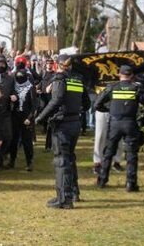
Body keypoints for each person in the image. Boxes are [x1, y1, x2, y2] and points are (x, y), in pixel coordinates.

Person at [35, 54, 90, 209]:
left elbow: (56, 100)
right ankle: (73, 193)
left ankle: (63, 199)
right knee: (70, 158)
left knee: (61, 161)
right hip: (75, 123)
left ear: (57, 65)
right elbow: (87, 104)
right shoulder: (78, 79)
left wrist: (40, 118)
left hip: (62, 124)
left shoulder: (60, 79)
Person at [95, 65, 144, 192]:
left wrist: (109, 110)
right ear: (132, 75)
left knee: (108, 153)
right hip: (131, 123)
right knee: (132, 154)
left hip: (115, 123)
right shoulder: (137, 89)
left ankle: (102, 180)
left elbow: (97, 104)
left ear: (119, 74)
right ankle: (130, 184)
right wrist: (143, 121)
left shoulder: (112, 88)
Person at [8, 70, 37, 171]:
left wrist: (29, 118)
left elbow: (34, 105)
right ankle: (12, 161)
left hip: (26, 117)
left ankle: (29, 162)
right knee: (13, 140)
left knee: (27, 141)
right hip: (15, 116)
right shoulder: (13, 87)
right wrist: (10, 99)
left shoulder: (30, 87)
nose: (19, 79)